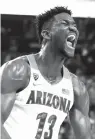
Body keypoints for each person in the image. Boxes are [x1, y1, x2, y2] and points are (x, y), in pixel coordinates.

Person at [1, 6, 91, 139]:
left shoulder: (77, 88)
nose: (73, 29)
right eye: (64, 23)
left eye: (74, 25)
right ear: (46, 34)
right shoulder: (17, 70)